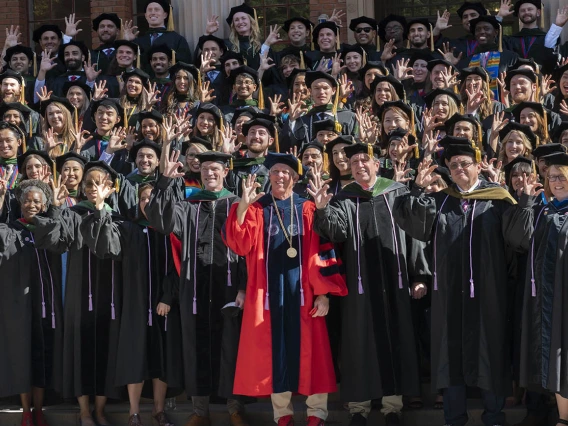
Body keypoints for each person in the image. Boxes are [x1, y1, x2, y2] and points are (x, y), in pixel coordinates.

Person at [393, 136, 523, 426]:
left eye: (465, 163)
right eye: (453, 166)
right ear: (448, 171)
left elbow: (517, 239)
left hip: (490, 292)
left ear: (478, 166)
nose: (459, 169)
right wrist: (416, 186)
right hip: (449, 293)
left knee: (491, 349)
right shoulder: (440, 202)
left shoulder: (498, 200)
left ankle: (494, 416)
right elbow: (409, 219)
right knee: (449, 354)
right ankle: (454, 418)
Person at [223, 152, 347, 426]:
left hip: (303, 292)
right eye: (275, 171)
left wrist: (324, 293)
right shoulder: (258, 208)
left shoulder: (308, 208)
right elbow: (240, 245)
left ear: (295, 178)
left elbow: (323, 250)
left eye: (286, 172)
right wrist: (242, 207)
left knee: (313, 350)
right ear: (269, 176)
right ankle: (283, 414)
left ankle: (316, 412)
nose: (280, 176)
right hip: (267, 294)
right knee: (272, 352)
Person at [311, 142, 425, 426]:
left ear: (377, 164)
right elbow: (335, 232)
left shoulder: (396, 192)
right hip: (358, 286)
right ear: (349, 168)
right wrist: (322, 210)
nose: (360, 164)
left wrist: (419, 275)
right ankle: (358, 408)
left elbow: (414, 237)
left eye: (365, 159)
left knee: (395, 336)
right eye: (354, 162)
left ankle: (392, 406)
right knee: (357, 343)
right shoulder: (343, 198)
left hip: (395, 281)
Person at [147, 151, 248, 426]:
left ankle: (234, 407)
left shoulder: (238, 204)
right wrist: (165, 181)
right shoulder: (188, 205)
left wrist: (243, 287)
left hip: (228, 288)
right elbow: (160, 221)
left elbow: (249, 250)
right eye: (205, 170)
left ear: (225, 172)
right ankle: (200, 411)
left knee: (231, 347)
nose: (210, 174)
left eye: (215, 169)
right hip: (194, 289)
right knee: (196, 347)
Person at [32, 161, 126, 426]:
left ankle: (99, 410)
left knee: (106, 350)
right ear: (82, 189)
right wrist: (54, 209)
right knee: (80, 350)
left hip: (107, 298)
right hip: (77, 294)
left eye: (99, 183)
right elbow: (52, 242)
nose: (93, 188)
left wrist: (100, 211)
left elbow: (110, 249)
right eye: (89, 184)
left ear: (109, 187)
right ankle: (85, 412)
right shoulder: (72, 215)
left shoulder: (116, 218)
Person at [83, 181, 182, 426]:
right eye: (144, 199)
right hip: (134, 304)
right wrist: (101, 208)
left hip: (163, 306)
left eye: (153, 199)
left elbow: (178, 266)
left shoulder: (170, 230)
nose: (148, 203)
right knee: (134, 356)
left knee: (161, 358)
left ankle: (159, 411)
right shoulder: (129, 228)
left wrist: (167, 297)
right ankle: (134, 412)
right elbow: (106, 246)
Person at [504, 151, 568, 426]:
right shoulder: (542, 210)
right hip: (546, 298)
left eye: (561, 176)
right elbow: (518, 240)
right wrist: (527, 202)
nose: (556, 182)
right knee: (551, 354)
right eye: (551, 176)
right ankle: (553, 414)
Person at [0, 179, 63, 426]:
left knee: (42, 356)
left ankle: (39, 409)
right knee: (23, 356)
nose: (31, 205)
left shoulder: (46, 228)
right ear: (20, 203)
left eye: (37, 201)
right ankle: (26, 411)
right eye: (27, 200)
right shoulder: (11, 230)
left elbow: (57, 238)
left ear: (45, 205)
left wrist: (56, 208)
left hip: (47, 305)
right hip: (21, 307)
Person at [125, 0, 192, 68]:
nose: (153, 12)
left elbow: (185, 66)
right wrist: (127, 41)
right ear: (145, 15)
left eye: (156, 10)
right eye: (150, 10)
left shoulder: (177, 40)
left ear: (165, 15)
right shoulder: (138, 41)